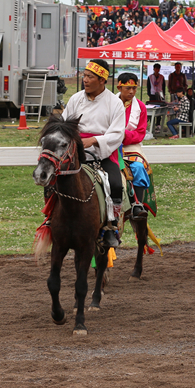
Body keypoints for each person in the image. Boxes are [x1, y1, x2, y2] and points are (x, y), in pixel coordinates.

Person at [61, 59, 126, 247]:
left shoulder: (115, 103)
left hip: (102, 154)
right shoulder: (76, 99)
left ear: (102, 80)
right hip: (75, 153)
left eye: (90, 77)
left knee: (115, 183)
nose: (85, 80)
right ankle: (51, 219)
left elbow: (117, 133)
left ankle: (111, 227)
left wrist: (95, 140)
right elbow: (65, 125)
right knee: (54, 179)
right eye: (84, 76)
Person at [116, 73, 149, 218]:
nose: (131, 92)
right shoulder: (110, 103)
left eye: (134, 88)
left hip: (130, 146)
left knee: (139, 167)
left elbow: (140, 133)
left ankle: (137, 204)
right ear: (119, 87)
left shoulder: (140, 107)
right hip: (109, 144)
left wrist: (123, 135)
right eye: (128, 88)